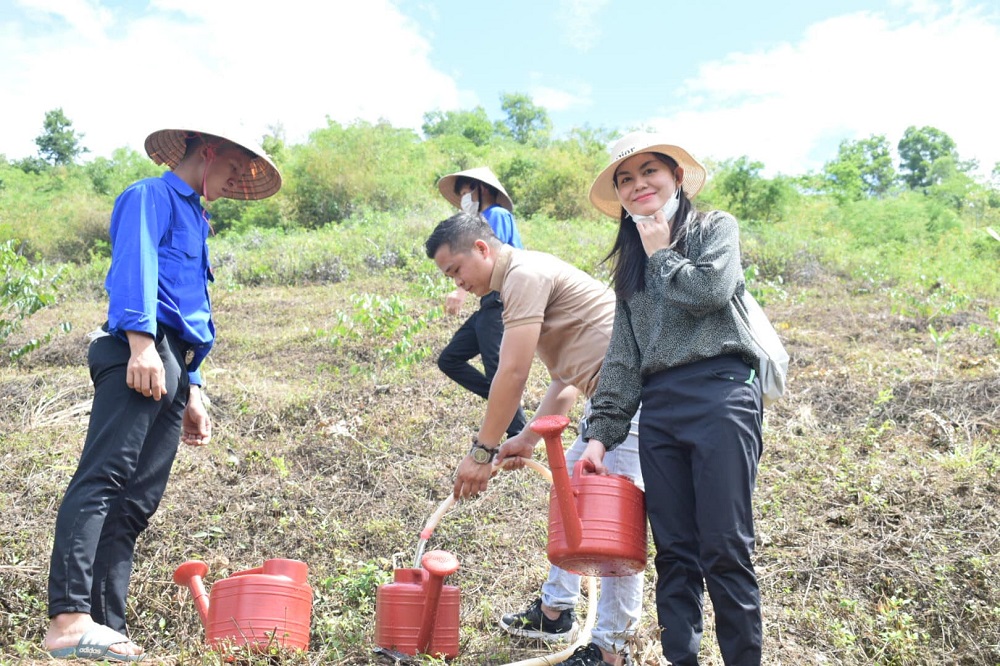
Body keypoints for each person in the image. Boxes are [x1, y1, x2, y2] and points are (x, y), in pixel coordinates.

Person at [42, 127, 281, 662]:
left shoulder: (197, 217)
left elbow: (187, 303)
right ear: (210, 152)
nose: (233, 182)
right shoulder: (149, 195)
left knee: (135, 503)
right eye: (231, 170)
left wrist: (192, 387)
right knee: (103, 478)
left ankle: (106, 629)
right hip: (140, 349)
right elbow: (136, 268)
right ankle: (68, 618)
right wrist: (141, 345)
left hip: (173, 359)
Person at [579, 131, 764, 666]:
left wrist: (661, 254)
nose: (639, 186)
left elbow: (710, 292)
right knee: (676, 553)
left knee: (725, 548)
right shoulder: (631, 265)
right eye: (626, 179)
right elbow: (622, 360)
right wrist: (599, 437)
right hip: (659, 409)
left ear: (677, 178)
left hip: (721, 395)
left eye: (650, 172)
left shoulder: (714, 229)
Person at [425, 212, 643, 666]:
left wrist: (482, 452)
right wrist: (526, 437)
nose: (458, 283)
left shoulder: (524, 275)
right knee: (573, 504)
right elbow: (564, 378)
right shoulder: (518, 282)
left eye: (456, 270)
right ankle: (555, 612)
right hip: (607, 405)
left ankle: (610, 650)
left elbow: (512, 372)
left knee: (611, 525)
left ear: (482, 249)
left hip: (636, 401)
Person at [435, 167, 527, 438]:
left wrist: (460, 292)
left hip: (501, 297)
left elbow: (489, 257)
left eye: (466, 192)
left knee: (496, 367)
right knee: (450, 359)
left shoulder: (495, 215)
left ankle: (516, 430)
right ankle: (504, 403)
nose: (464, 198)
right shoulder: (487, 216)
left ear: (482, 189)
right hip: (488, 301)